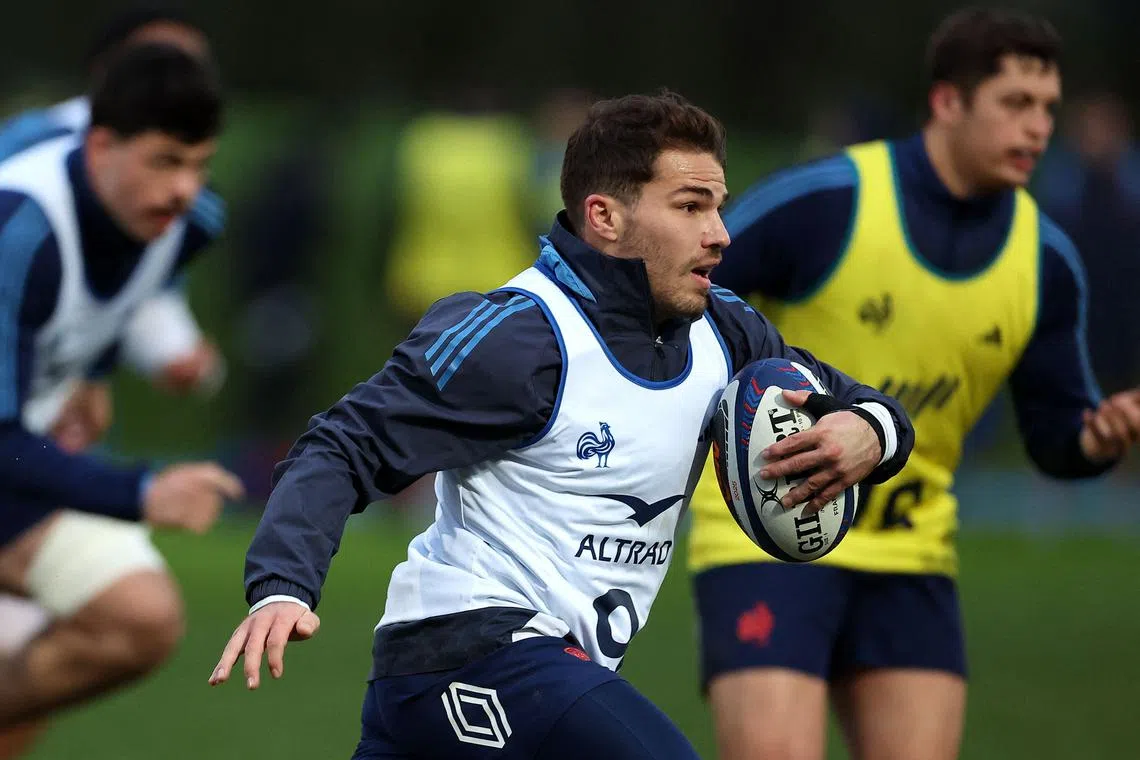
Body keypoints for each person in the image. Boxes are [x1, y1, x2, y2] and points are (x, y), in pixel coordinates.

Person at [207, 91, 915, 759]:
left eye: (719, 207)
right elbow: (345, 441)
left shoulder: (723, 330)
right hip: (464, 656)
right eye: (692, 206)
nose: (720, 234)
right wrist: (284, 584)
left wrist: (869, 432)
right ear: (605, 217)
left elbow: (855, 399)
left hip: (552, 677)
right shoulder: (520, 338)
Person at [687, 9, 1140, 760]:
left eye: (1049, 109)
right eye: (1016, 104)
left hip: (911, 552)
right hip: (769, 533)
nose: (1037, 129)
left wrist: (1097, 437)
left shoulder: (1045, 260)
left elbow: (1057, 437)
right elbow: (685, 295)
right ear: (948, 103)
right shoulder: (826, 202)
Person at [0, 45, 243, 747]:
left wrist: (95, 373)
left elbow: (120, 296)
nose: (184, 189)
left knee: (138, 618)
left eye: (199, 165)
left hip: (18, 463)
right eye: (166, 161)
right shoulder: (18, 229)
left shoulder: (185, 224)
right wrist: (141, 491)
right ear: (102, 143)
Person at [0, 5, 221, 395]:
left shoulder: (190, 206)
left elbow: (145, 287)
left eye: (192, 64)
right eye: (156, 60)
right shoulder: (26, 173)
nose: (178, 76)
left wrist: (169, 345)